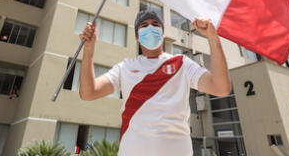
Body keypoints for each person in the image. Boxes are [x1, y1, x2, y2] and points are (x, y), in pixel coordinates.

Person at [78, 10, 231, 156]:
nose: (150, 28)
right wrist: (89, 50)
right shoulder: (125, 67)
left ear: (163, 33)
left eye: (155, 24)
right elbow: (88, 93)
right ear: (137, 37)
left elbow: (221, 88)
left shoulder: (182, 63)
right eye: (144, 25)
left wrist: (212, 37)